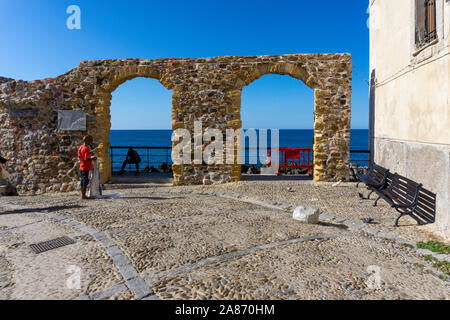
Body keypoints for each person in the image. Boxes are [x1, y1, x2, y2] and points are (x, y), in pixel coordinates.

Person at [78, 136, 97, 200]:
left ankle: (83, 194)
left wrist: (89, 154)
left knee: (83, 180)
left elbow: (82, 156)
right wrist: (93, 158)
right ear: (86, 140)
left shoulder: (81, 147)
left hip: (82, 166)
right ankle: (83, 195)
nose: (90, 142)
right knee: (85, 181)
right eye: (89, 140)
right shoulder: (86, 148)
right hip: (86, 167)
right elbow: (86, 158)